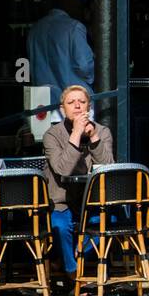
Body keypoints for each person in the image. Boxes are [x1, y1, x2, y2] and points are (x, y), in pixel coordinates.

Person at [42, 85, 114, 282]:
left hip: (91, 202)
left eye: (82, 102)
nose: (77, 106)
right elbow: (63, 169)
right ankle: (73, 273)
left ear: (89, 107)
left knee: (109, 224)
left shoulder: (102, 131)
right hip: (61, 201)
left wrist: (93, 137)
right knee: (59, 226)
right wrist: (76, 133)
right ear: (62, 108)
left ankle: (71, 259)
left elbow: (108, 167)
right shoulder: (52, 135)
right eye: (71, 102)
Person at [27, 0, 95, 122]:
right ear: (72, 4)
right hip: (74, 106)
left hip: (43, 107)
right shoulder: (74, 27)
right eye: (80, 6)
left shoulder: (36, 29)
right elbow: (84, 67)